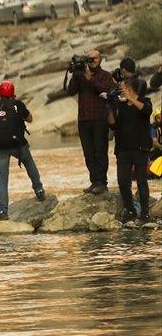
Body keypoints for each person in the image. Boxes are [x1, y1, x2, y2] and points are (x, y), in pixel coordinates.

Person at [0, 80, 46, 220]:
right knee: (29, 162)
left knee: (2, 180)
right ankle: (39, 190)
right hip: (18, 144)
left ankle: (3, 211)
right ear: (13, 93)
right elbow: (30, 119)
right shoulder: (18, 105)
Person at [65, 49, 115, 194]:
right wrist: (76, 74)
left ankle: (102, 182)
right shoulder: (80, 75)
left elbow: (106, 91)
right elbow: (70, 91)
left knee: (100, 151)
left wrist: (90, 79)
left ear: (100, 59)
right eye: (90, 59)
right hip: (84, 119)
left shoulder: (105, 75)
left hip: (100, 118)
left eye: (94, 58)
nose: (92, 61)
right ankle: (94, 181)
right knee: (88, 154)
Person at [107, 75, 154, 223]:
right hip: (123, 149)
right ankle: (131, 210)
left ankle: (145, 213)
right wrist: (108, 107)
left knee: (141, 181)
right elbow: (113, 125)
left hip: (141, 149)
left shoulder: (145, 101)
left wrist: (132, 99)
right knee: (123, 181)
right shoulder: (119, 105)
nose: (121, 92)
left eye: (123, 89)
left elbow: (147, 111)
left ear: (130, 89)